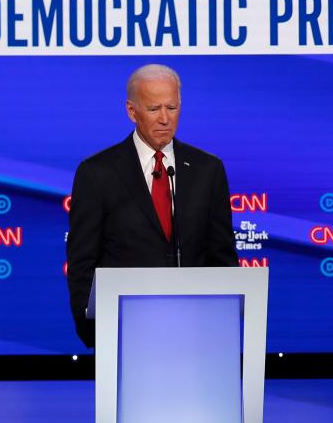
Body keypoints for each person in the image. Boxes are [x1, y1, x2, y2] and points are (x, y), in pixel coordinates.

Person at [66, 64, 238, 347]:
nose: (164, 119)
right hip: (124, 333)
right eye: (154, 108)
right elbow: (82, 261)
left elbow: (222, 257)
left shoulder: (208, 170)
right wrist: (93, 331)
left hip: (199, 333)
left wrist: (224, 323)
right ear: (132, 112)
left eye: (171, 108)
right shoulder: (97, 173)